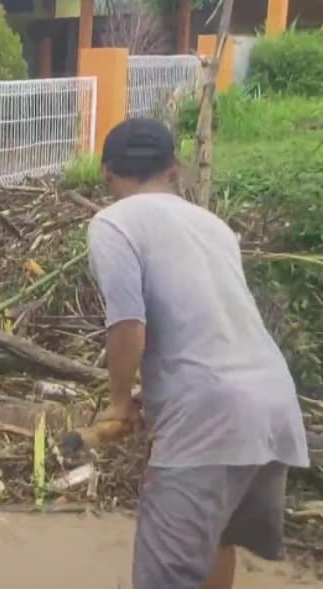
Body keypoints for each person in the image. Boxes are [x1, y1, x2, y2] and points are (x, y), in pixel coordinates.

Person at [86, 118, 308, 589]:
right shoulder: (215, 226)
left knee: (165, 576)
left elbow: (128, 325)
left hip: (209, 419)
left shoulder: (113, 223)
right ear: (173, 169)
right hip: (272, 410)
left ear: (106, 174)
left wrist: (121, 400)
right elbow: (210, 325)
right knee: (215, 541)